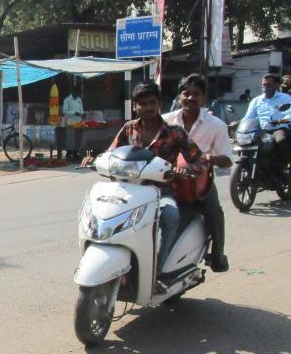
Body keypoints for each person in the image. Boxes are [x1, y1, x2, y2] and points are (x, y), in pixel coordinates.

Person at [86, 81, 205, 282]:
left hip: (160, 192)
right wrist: (95, 161)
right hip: (126, 191)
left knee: (170, 216)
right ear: (135, 107)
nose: (147, 108)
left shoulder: (174, 131)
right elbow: (110, 154)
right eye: (142, 104)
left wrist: (182, 170)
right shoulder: (128, 129)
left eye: (152, 103)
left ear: (159, 104)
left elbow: (199, 160)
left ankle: (157, 270)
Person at [162, 74, 233, 273]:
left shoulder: (216, 125)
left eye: (196, 94)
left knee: (213, 210)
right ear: (179, 97)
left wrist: (212, 159)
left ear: (203, 98)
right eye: (186, 94)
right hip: (166, 178)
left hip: (199, 182)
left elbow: (227, 158)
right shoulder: (165, 121)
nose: (190, 98)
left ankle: (218, 256)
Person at [244, 73, 291, 171]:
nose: (265, 87)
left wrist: (285, 119)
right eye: (263, 85)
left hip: (278, 128)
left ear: (276, 85)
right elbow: (248, 117)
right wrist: (238, 123)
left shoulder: (286, 98)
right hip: (260, 129)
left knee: (281, 140)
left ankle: (283, 167)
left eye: (268, 85)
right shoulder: (256, 100)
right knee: (245, 143)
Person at [63, 85, 84, 159]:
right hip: (71, 122)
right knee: (70, 139)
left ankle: (75, 154)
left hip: (78, 122)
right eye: (77, 93)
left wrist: (82, 113)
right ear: (73, 92)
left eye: (78, 93)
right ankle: (68, 154)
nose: (77, 95)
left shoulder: (79, 100)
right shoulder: (67, 100)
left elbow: (81, 109)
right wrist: (74, 113)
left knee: (78, 139)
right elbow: (65, 111)